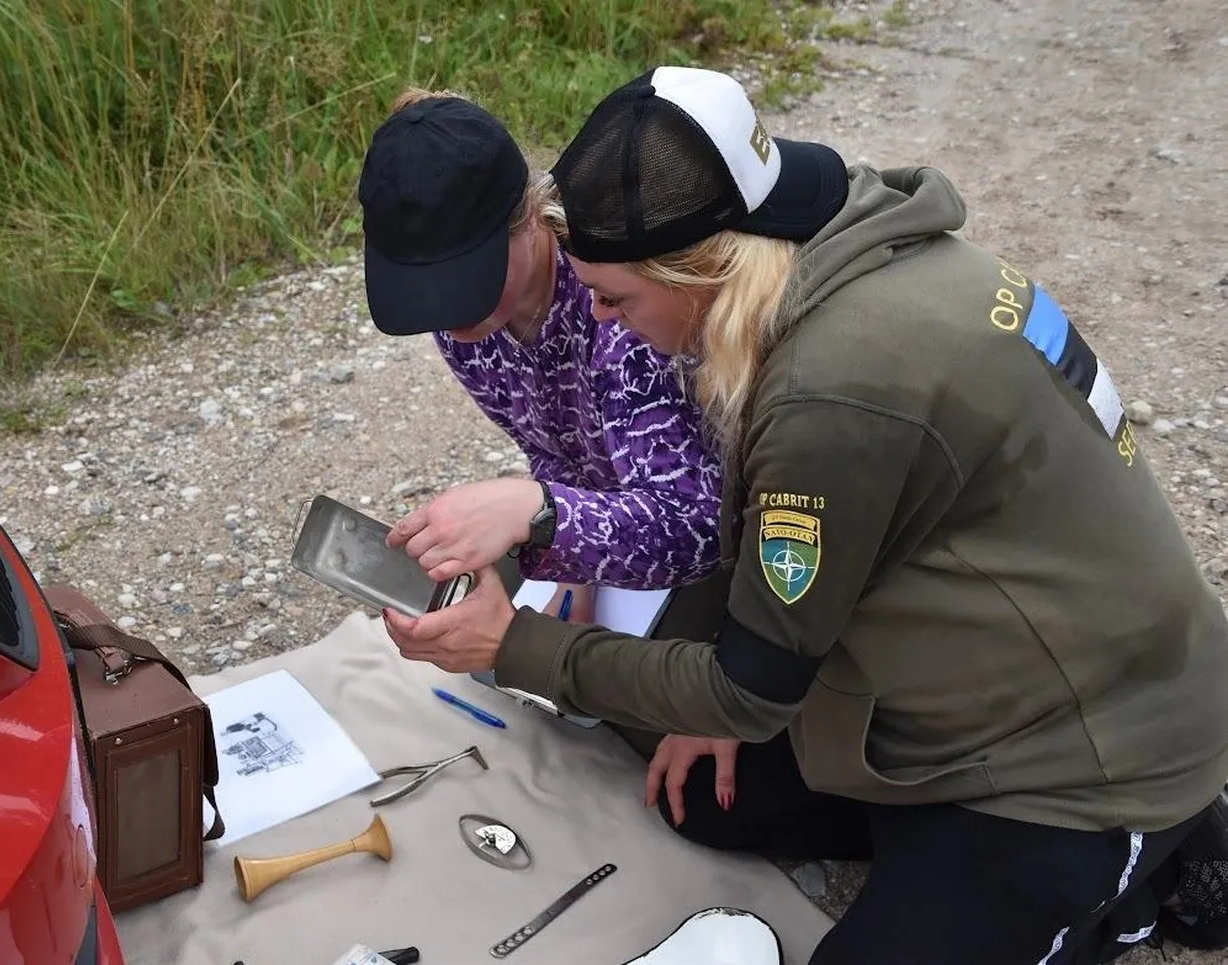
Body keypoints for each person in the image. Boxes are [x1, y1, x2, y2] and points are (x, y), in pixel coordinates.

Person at [378, 65, 1228, 964]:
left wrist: (513, 646)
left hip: (1078, 755)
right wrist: (703, 682)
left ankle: (1154, 852)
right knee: (699, 789)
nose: (602, 321)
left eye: (617, 298)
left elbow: (748, 682)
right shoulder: (820, 251)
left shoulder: (832, 392)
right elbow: (769, 562)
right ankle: (980, 859)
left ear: (700, 268)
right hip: (958, 679)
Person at [356, 86, 723, 620]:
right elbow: (554, 449)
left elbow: (700, 525)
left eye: (465, 282)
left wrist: (538, 512)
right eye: (426, 291)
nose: (448, 315)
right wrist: (575, 574)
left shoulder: (614, 302)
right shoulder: (469, 324)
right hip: (624, 541)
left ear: (528, 218)